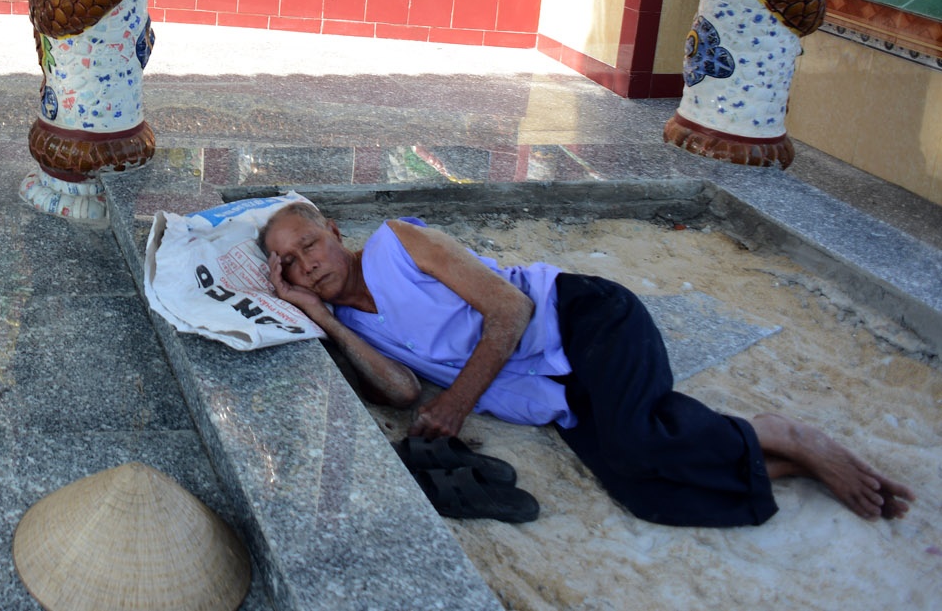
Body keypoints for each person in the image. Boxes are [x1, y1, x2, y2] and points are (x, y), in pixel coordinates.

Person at [257, 199, 915, 526]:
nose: (306, 262)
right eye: (288, 262)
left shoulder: (400, 244)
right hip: (555, 388)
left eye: (310, 242)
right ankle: (784, 456)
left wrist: (456, 401)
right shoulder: (347, 320)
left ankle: (785, 432)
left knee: (635, 440)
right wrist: (320, 319)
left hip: (586, 320)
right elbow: (400, 391)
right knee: (640, 487)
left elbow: (509, 309)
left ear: (336, 232)